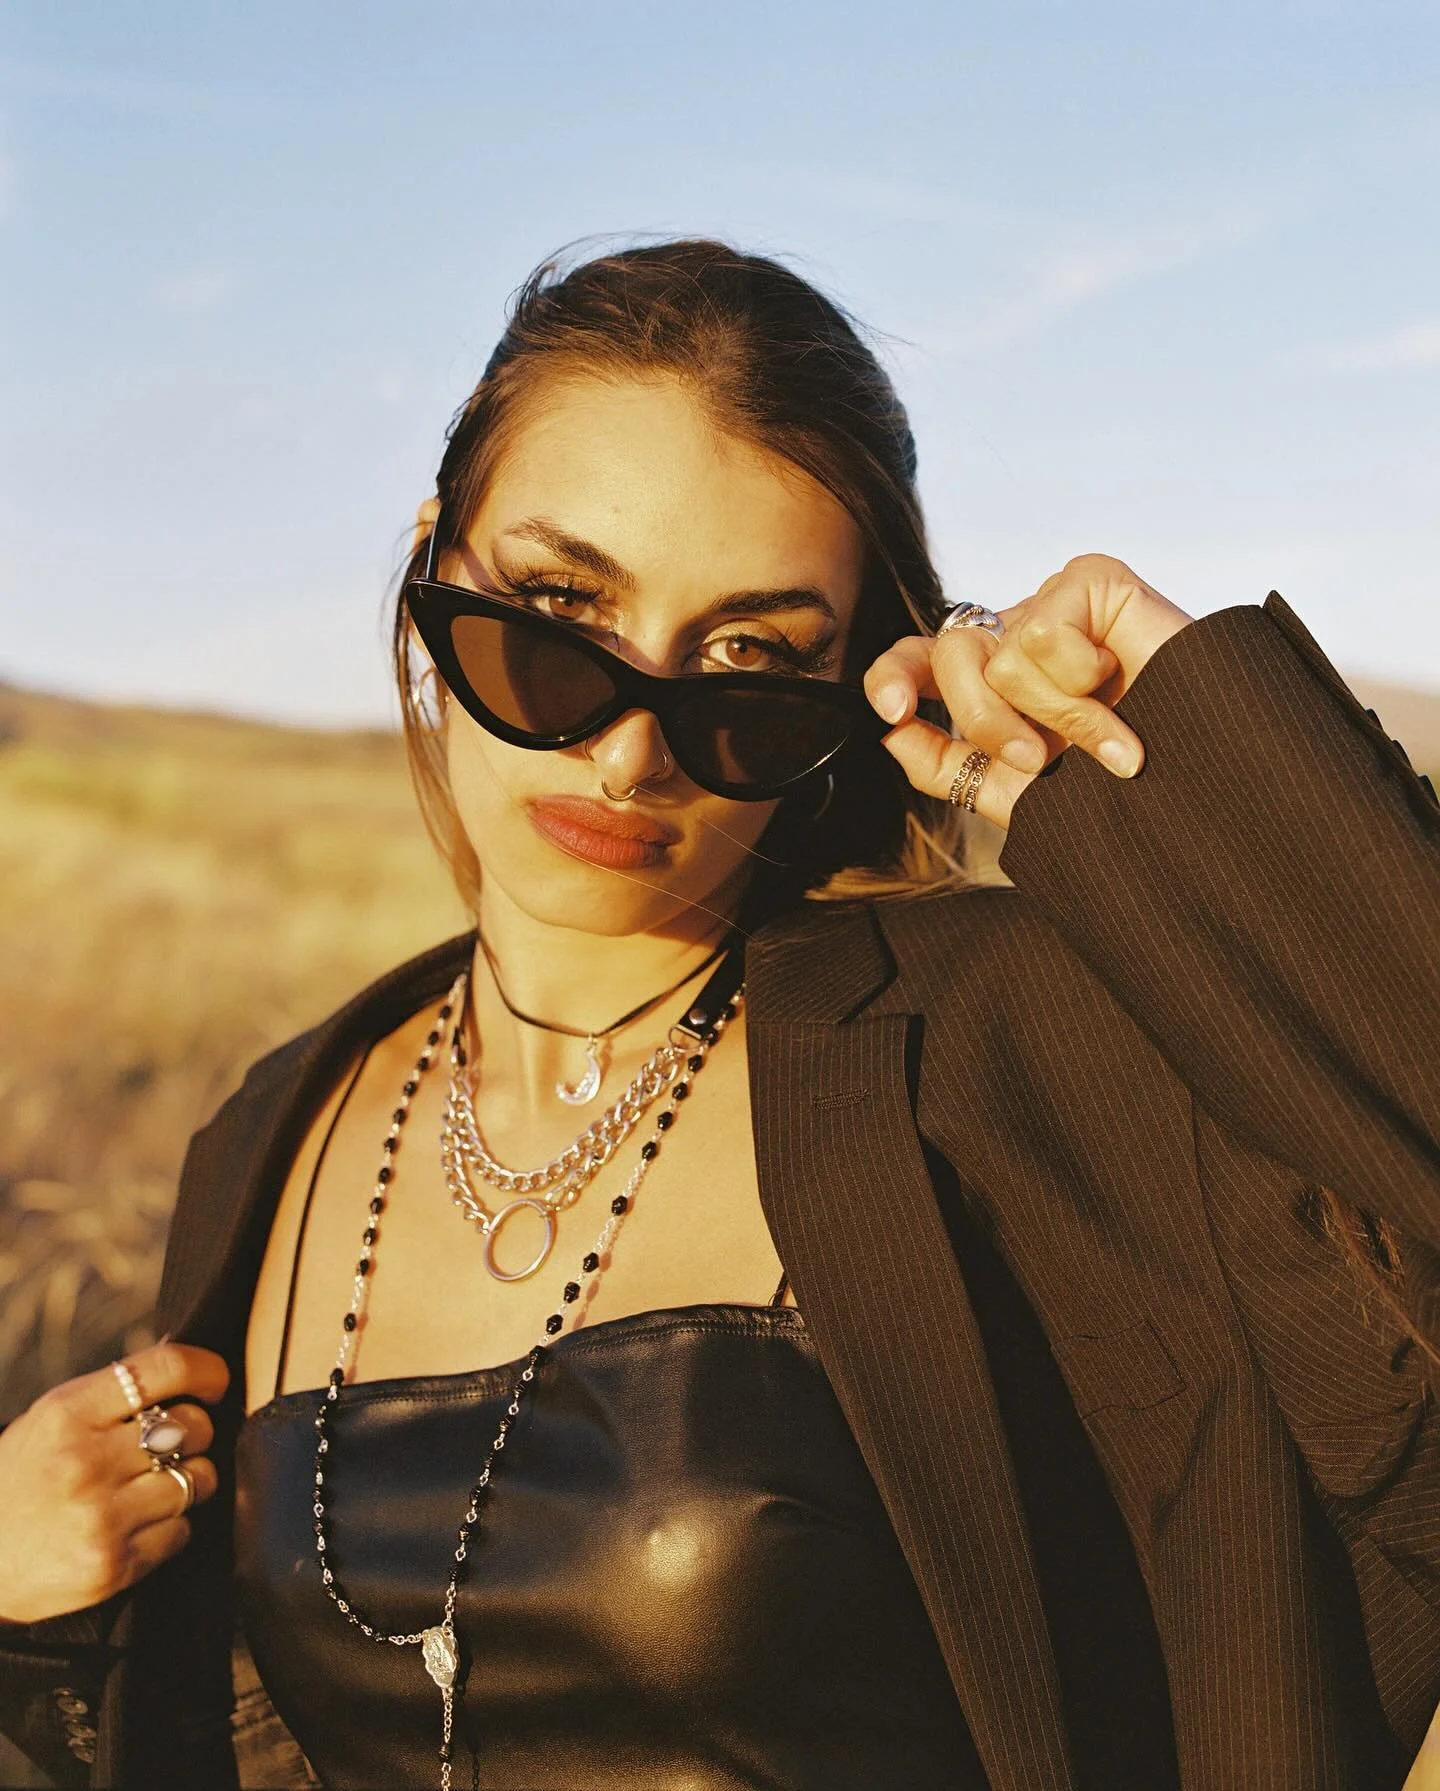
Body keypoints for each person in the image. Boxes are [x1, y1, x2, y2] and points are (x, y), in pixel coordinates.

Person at [0, 239, 1436, 1791]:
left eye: (748, 661)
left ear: (853, 684)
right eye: (553, 615)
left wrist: (1218, 763)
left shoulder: (1000, 1041)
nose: (629, 754)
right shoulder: (273, 1133)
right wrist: (30, 1612)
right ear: (433, 572)